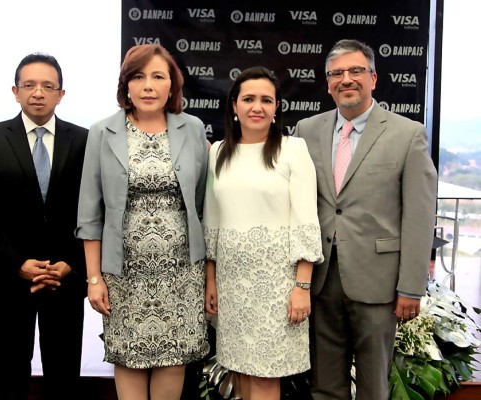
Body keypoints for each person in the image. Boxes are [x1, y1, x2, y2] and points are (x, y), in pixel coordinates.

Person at [295, 39, 438, 400]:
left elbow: (420, 218)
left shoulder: (408, 135)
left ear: (374, 77)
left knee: (374, 387)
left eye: (356, 71)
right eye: (337, 73)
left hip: (380, 286)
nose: (347, 79)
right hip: (322, 279)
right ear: (327, 83)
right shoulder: (306, 131)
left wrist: (411, 287)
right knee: (325, 386)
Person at [76, 44, 209, 400]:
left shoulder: (193, 129)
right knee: (129, 358)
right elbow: (90, 215)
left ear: (172, 86)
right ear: (126, 86)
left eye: (157, 76)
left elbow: (201, 204)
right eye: (138, 77)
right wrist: (94, 278)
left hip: (182, 272)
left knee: (173, 360)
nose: (148, 85)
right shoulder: (102, 132)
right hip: (123, 273)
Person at [0, 53, 88, 399]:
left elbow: (93, 210)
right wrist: (17, 263)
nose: (38, 92)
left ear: (61, 94)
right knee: (11, 371)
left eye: (48, 86)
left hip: (64, 275)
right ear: (15, 91)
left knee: (64, 373)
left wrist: (70, 262)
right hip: (7, 277)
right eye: (29, 85)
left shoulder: (84, 140)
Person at [204, 66, 324, 400]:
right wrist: (211, 281)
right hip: (231, 282)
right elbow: (211, 222)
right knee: (239, 370)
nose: (257, 106)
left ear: (275, 109)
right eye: (249, 99)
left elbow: (305, 221)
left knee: (266, 376)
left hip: (277, 284)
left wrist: (302, 286)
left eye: (266, 100)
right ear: (234, 106)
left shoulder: (293, 150)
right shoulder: (217, 153)